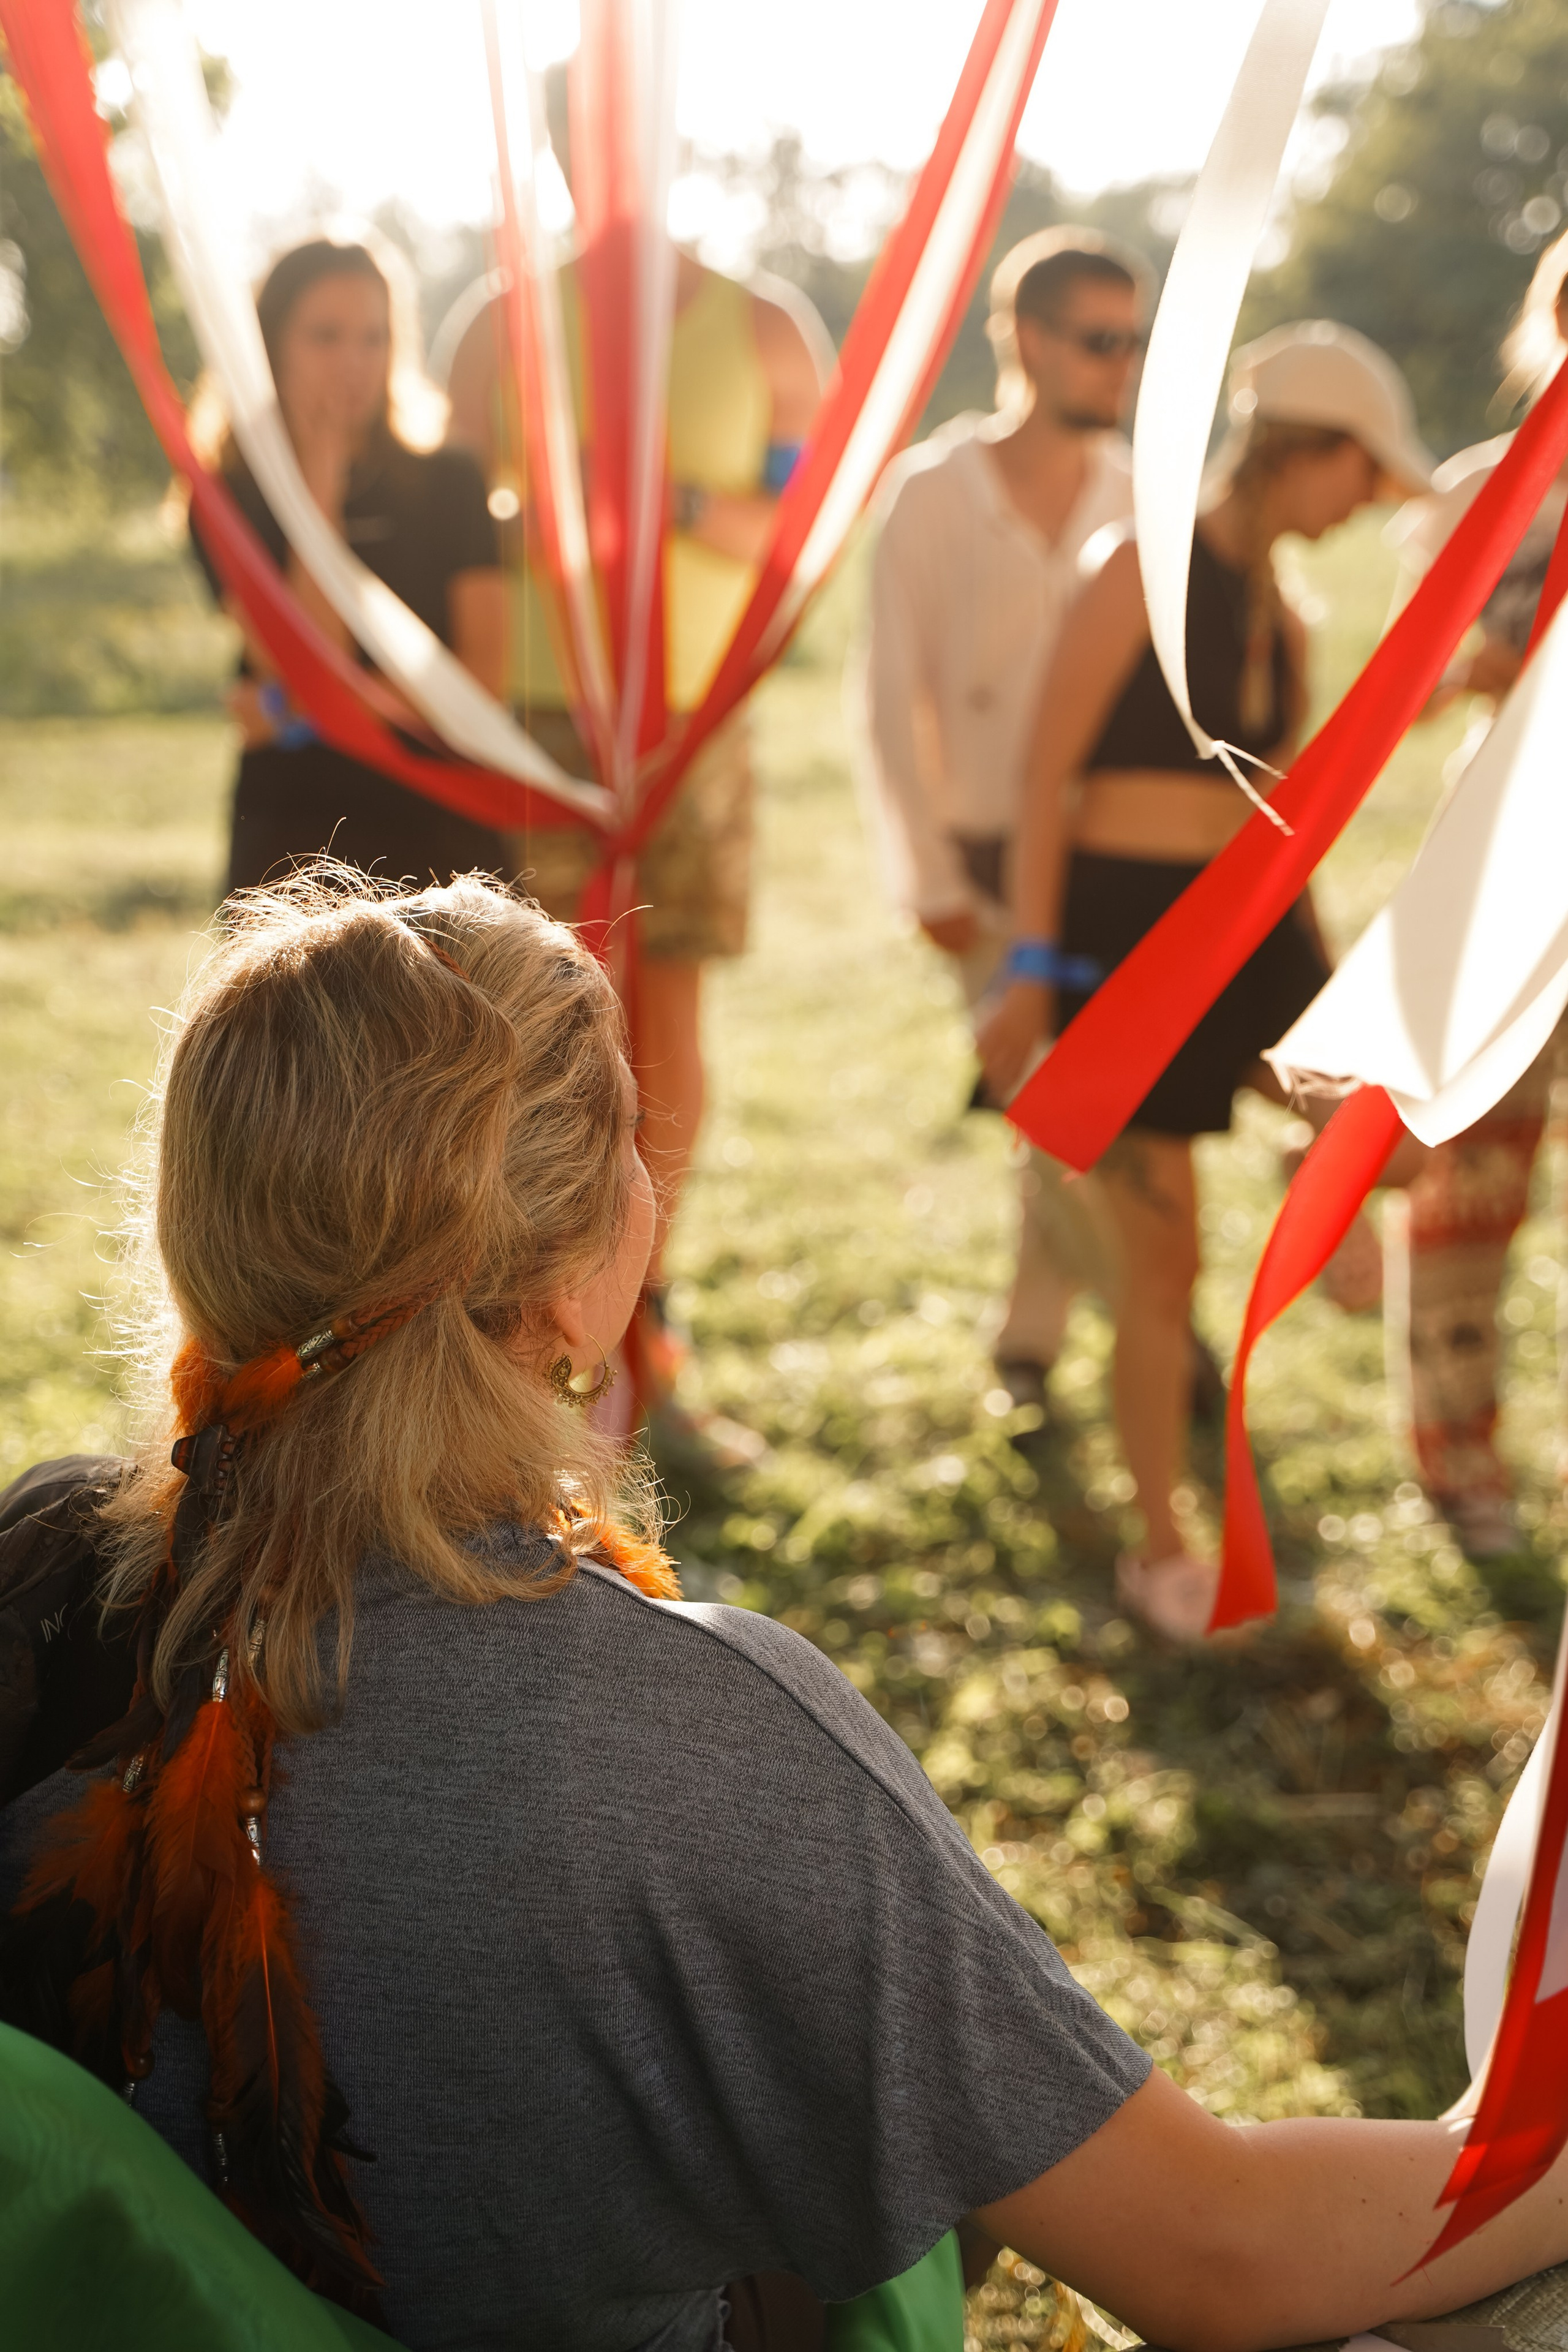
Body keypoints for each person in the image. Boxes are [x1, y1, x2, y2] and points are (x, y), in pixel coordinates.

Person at [6, 866, 1568, 2351]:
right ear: (569, 1278)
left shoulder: (50, 1576)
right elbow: (1217, 2251)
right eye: (630, 1140)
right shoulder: (688, 1740)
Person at [980, 322, 1434, 1640]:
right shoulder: (1138, 567)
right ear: (1301, 451)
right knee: (1163, 1264)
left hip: (1254, 931)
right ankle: (1161, 1542)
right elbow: (1043, 780)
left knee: (1397, 1135)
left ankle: (1313, 1186)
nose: (1363, 504)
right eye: (1360, 473)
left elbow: (1283, 822)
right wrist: (1029, 968)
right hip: (1128, 946)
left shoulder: (1288, 613)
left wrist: (1328, 996)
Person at [445, 244, 828, 1359]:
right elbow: (448, 516)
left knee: (667, 1010)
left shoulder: (765, 330)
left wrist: (672, 498)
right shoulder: (502, 321)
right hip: (536, 717)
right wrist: (559, 499)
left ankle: (642, 1294)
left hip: (693, 721)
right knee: (523, 1011)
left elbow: (798, 528)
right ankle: (511, 1291)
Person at [861, 228, 1142, 1422]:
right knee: (1043, 1094)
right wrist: (924, 874)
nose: (1122, 365)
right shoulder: (932, 493)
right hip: (978, 859)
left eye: (1133, 342)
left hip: (1105, 854)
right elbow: (889, 700)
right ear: (1027, 338)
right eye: (1099, 340)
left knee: (1084, 1103)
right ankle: (1145, 1317)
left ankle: (1046, 1334)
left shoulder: (1137, 494)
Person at [1378, 227, 1568, 1562]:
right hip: (1508, 856)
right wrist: (1494, 653)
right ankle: (1457, 1450)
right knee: (1468, 1171)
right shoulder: (1486, 490)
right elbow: (1415, 681)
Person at [190, 238, 509, 894]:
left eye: (373, 337)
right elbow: (311, 666)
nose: (353, 363)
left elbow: (484, 680)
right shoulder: (226, 497)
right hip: (294, 837)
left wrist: (289, 713)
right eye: (326, 337)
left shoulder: (450, 481)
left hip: (440, 822)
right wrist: (319, 482)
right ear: (270, 346)